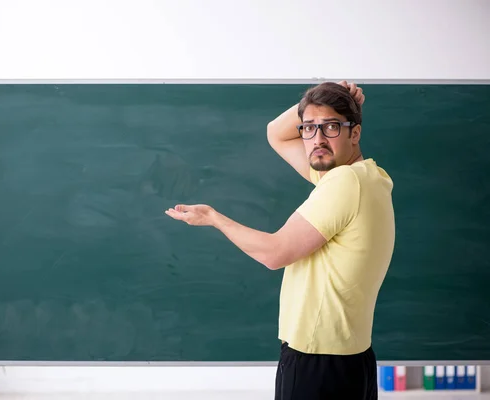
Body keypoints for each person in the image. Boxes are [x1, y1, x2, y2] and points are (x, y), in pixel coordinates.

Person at [165, 81, 395, 399]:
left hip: (318, 363)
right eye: (309, 128)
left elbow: (275, 253)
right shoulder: (367, 177)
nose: (317, 139)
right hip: (353, 360)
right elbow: (277, 132)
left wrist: (213, 218)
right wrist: (327, 91)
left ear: (354, 133)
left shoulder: (344, 183)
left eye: (330, 127)